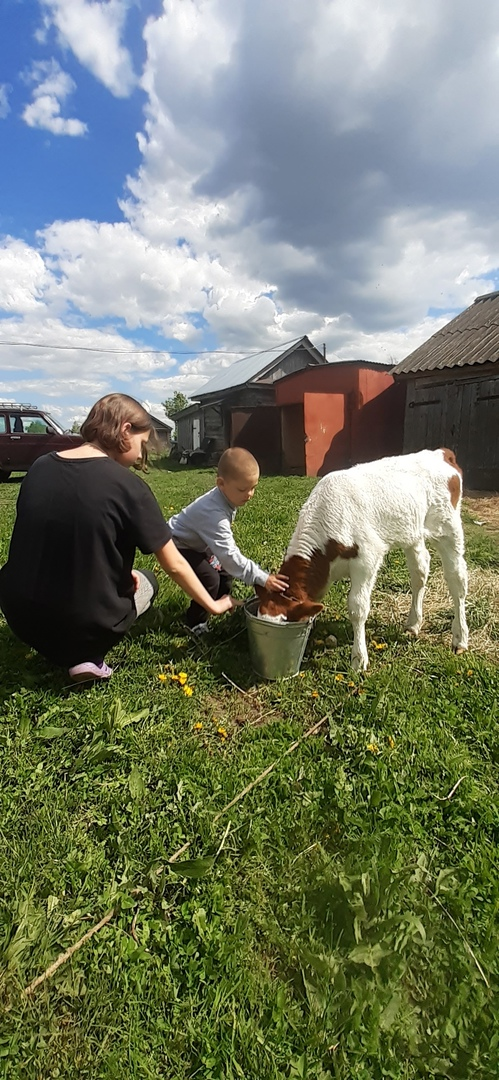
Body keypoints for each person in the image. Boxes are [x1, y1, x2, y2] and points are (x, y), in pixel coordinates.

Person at [0, 394, 238, 682]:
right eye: (141, 443)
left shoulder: (39, 467)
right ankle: (88, 658)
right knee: (148, 580)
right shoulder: (128, 487)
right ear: (125, 430)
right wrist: (213, 605)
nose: (140, 455)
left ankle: (67, 642)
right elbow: (174, 564)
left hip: (20, 616)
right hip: (85, 627)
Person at [168, 446, 288, 633]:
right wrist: (262, 578)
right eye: (243, 489)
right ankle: (194, 623)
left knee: (224, 574)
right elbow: (229, 556)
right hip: (178, 544)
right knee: (210, 579)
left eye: (253, 488)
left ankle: (221, 604)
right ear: (221, 483)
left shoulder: (227, 498)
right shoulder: (213, 513)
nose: (249, 495)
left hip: (200, 541)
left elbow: (227, 561)